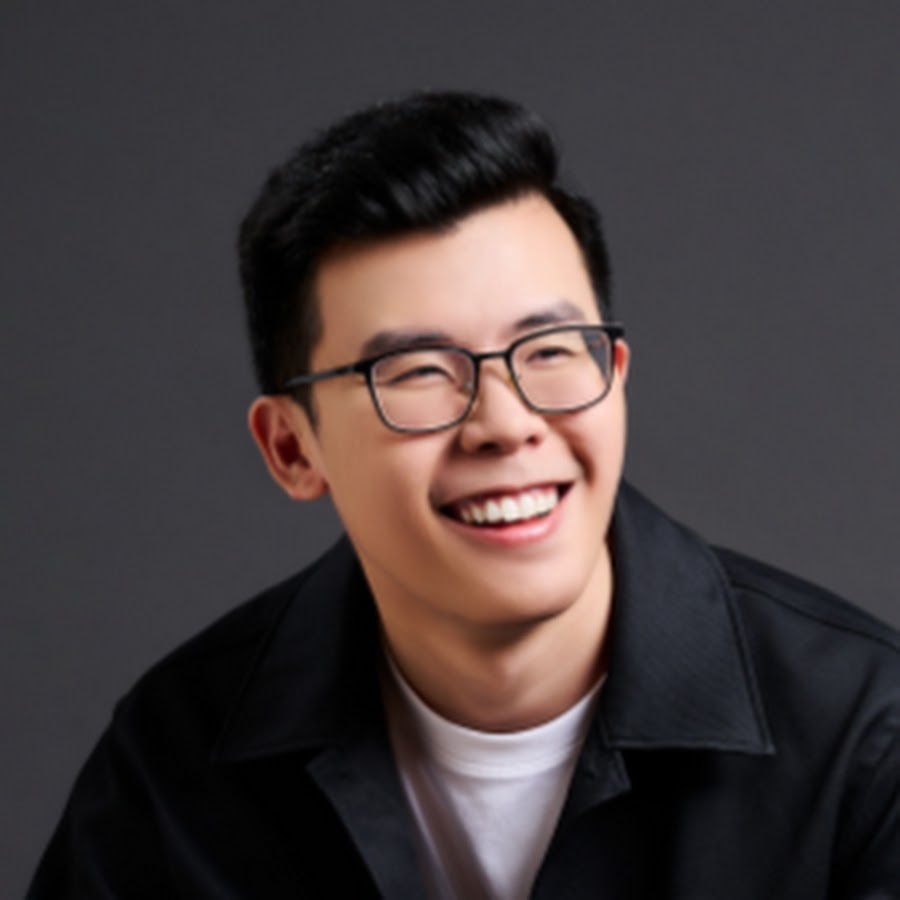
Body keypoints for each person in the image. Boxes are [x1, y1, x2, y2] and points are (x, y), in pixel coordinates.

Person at [28, 91, 899, 899]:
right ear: (292, 447)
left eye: (550, 351)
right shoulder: (174, 762)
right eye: (417, 372)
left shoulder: (864, 741)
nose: (506, 425)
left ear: (615, 375)